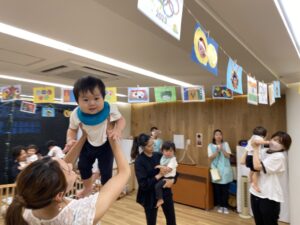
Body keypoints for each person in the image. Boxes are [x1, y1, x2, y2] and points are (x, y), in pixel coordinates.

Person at [5, 127, 131, 225]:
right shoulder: (79, 214)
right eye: (69, 171)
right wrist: (112, 138)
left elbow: (62, 166)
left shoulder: (29, 207)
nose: (71, 166)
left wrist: (84, 137)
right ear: (59, 195)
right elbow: (124, 172)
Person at [64, 76, 126, 198]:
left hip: (105, 144)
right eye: (85, 100)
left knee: (106, 170)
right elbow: (72, 129)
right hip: (88, 142)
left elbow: (121, 120)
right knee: (83, 166)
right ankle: (87, 188)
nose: (92, 103)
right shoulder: (76, 114)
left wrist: (117, 129)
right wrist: (70, 139)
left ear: (103, 97)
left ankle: (105, 192)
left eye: (96, 98)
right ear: (77, 101)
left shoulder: (110, 109)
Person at [131, 133, 177, 225]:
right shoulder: (139, 161)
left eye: (153, 144)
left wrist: (173, 180)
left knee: (171, 221)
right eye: (150, 145)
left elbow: (174, 170)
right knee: (151, 222)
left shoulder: (159, 155)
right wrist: (159, 175)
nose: (153, 147)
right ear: (143, 147)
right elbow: (144, 185)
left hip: (165, 192)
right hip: (149, 196)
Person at [250, 131, 292, 225]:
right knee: (259, 222)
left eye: (280, 142)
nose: (275, 142)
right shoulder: (264, 151)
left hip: (269, 197)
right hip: (255, 193)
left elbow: (256, 166)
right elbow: (251, 165)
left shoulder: (279, 157)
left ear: (284, 147)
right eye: (274, 139)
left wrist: (255, 149)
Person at [207, 129, 233, 214]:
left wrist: (222, 149)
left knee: (225, 189)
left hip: (225, 170)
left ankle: (225, 206)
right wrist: (217, 151)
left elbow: (228, 156)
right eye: (216, 134)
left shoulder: (225, 144)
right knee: (217, 188)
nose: (218, 136)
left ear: (222, 136)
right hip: (215, 169)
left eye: (220, 134)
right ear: (214, 136)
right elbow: (210, 158)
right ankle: (220, 205)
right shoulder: (210, 146)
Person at [241, 126, 269, 192]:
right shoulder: (258, 137)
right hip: (252, 157)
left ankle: (250, 178)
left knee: (252, 170)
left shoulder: (252, 137)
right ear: (263, 134)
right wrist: (267, 142)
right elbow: (257, 141)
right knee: (256, 172)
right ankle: (255, 185)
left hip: (249, 157)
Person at [155, 141, 178, 208]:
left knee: (157, 186)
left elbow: (169, 169)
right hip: (165, 177)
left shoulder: (172, 160)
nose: (168, 153)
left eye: (171, 151)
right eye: (166, 151)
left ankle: (160, 199)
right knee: (159, 186)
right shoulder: (163, 158)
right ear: (162, 151)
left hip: (169, 178)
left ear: (174, 152)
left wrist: (160, 166)